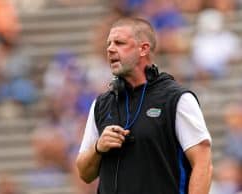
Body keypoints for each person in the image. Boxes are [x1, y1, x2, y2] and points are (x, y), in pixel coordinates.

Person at [76, 17, 213, 194]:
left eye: (119, 43)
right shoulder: (101, 104)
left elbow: (203, 164)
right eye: (108, 43)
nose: (110, 49)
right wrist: (98, 148)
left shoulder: (177, 99)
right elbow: (84, 174)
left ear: (143, 49)